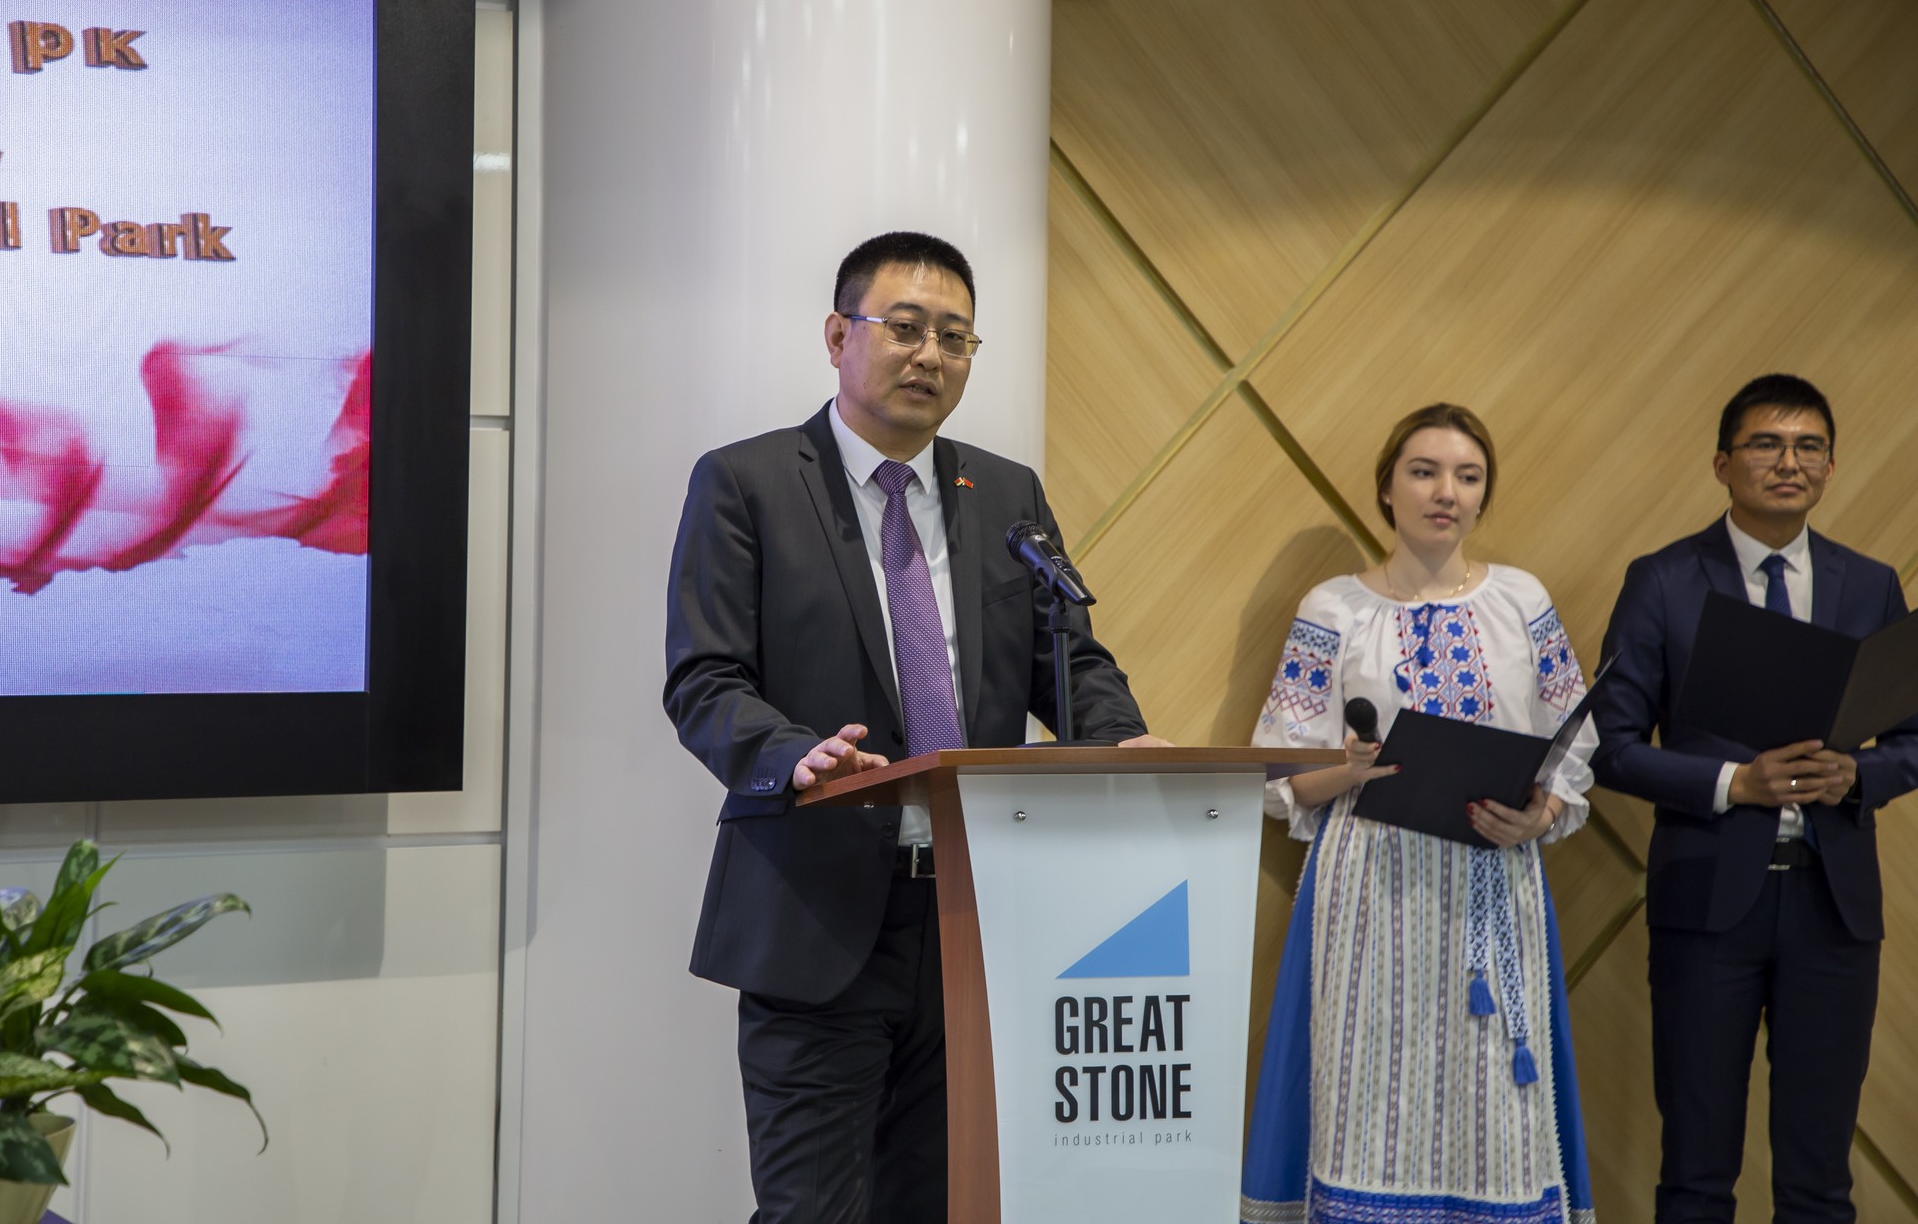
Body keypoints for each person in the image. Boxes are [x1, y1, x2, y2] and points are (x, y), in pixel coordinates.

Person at [663, 231, 1166, 1224]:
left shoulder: (1005, 493)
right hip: (817, 910)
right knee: (812, 1209)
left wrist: (1122, 739)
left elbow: (1068, 660)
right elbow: (704, 678)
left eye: (954, 336)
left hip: (975, 915)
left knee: (942, 1203)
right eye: (903, 327)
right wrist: (789, 754)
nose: (929, 354)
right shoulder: (747, 483)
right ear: (837, 336)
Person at [1240, 403, 1595, 1224]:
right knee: (1371, 1086)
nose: (1447, 492)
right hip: (1371, 886)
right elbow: (1278, 767)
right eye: (1425, 472)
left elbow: (1573, 741)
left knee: (1493, 1090)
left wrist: (1540, 815)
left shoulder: (1522, 600)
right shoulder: (1333, 607)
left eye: (1468, 476)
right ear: (1386, 489)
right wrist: (1348, 767)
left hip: (1493, 877)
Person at [1591, 374, 1918, 1222]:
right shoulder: (1664, 580)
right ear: (1722, 464)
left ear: (1831, 467)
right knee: (1696, 1176)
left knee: (1820, 1180)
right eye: (1766, 443)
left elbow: (1911, 739)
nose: (1788, 462)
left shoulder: (1870, 583)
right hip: (1707, 905)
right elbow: (1609, 746)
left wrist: (1859, 775)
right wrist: (1735, 783)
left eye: (1809, 447)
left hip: (1833, 908)